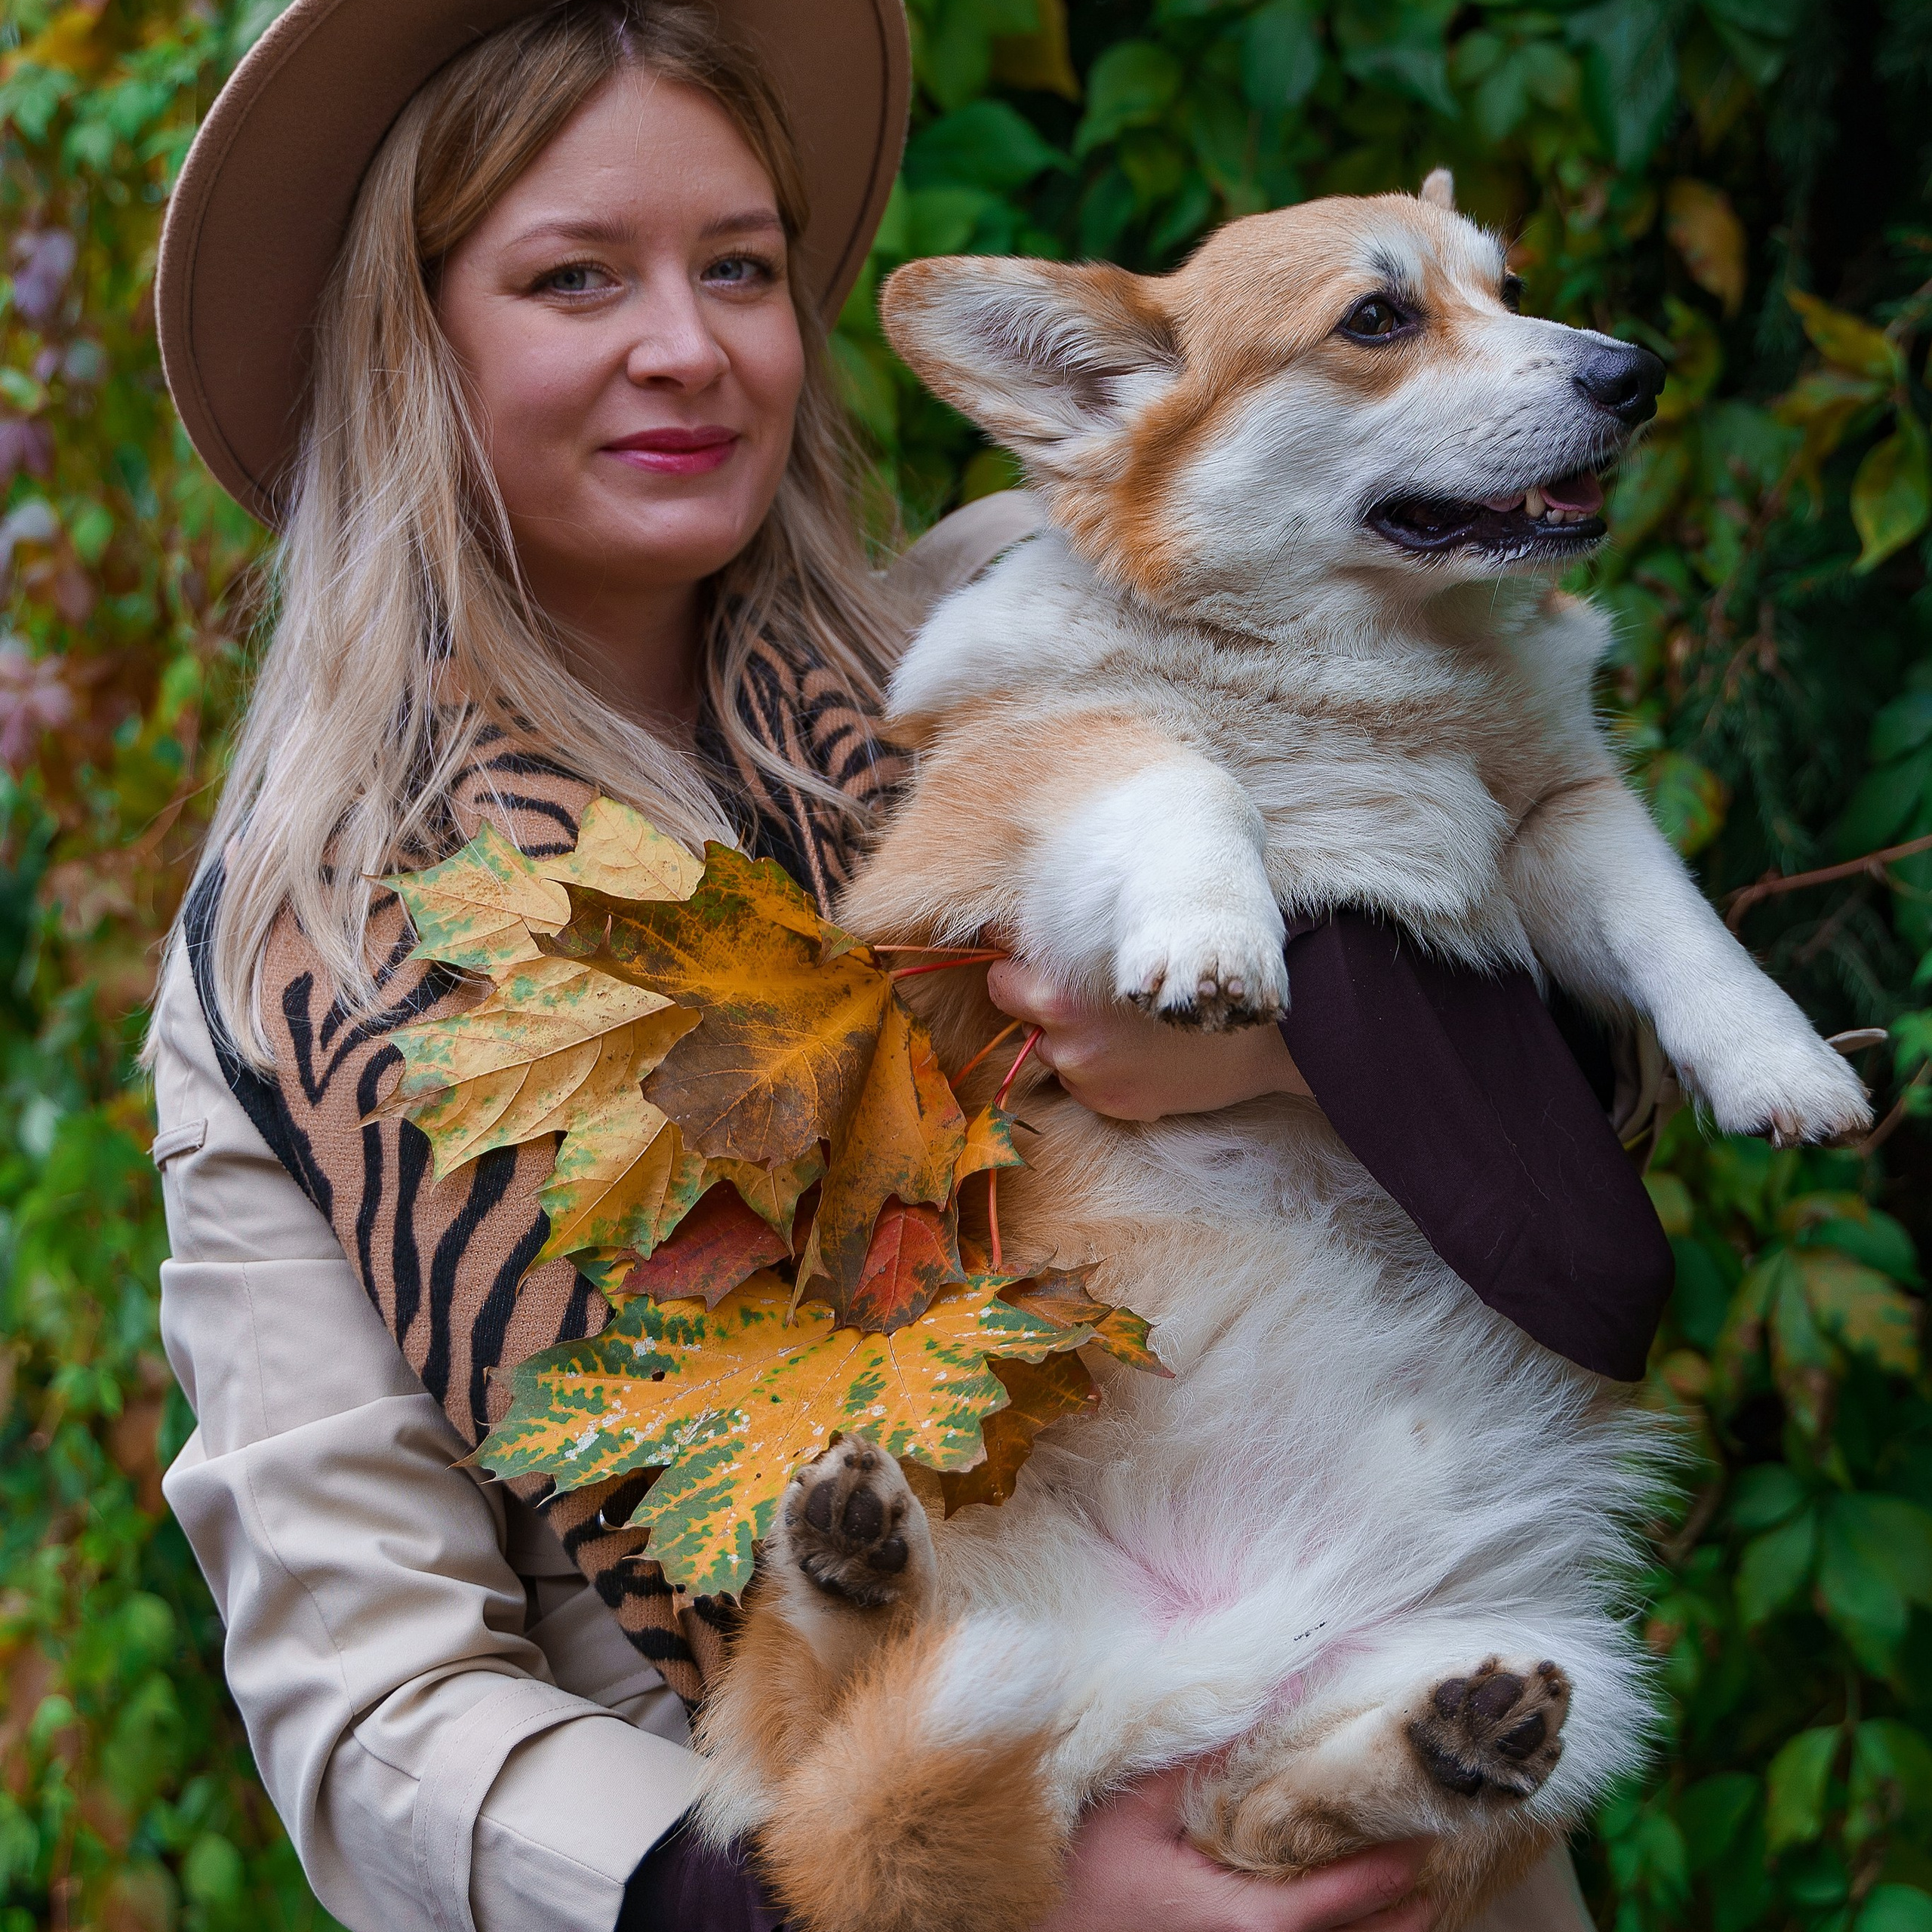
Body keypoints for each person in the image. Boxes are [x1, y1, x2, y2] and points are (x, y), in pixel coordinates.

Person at [146, 2, 1639, 1927]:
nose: (687, 345)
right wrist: (974, 1895)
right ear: (408, 338)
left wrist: (1287, 1044)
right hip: (877, 1839)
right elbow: (370, 1706)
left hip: (1407, 1785)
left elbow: (1588, 1039)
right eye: (574, 274)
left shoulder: (1045, 609)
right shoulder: (301, 973)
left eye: (741, 266)